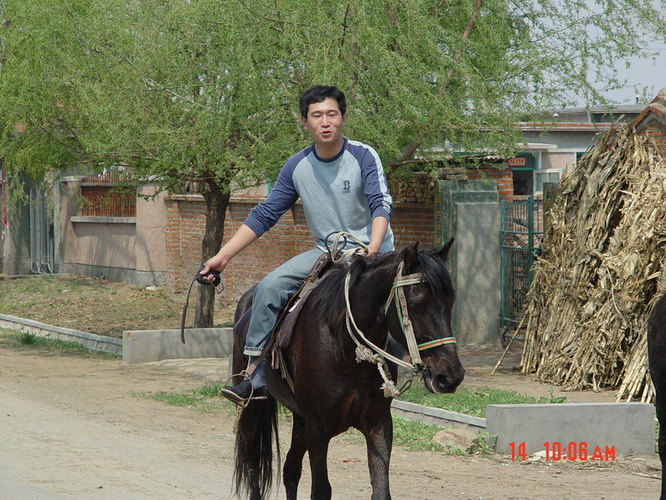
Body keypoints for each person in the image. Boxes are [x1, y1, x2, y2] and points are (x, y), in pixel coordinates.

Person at [200, 85, 395, 404]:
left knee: (415, 293)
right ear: (305, 123)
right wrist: (222, 257)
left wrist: (373, 249)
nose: (326, 121)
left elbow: (380, 203)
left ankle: (422, 362)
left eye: (332, 114)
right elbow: (265, 214)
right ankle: (256, 372)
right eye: (317, 115)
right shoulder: (297, 167)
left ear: (343, 118)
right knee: (269, 287)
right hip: (327, 251)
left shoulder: (362, 155)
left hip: (373, 254)